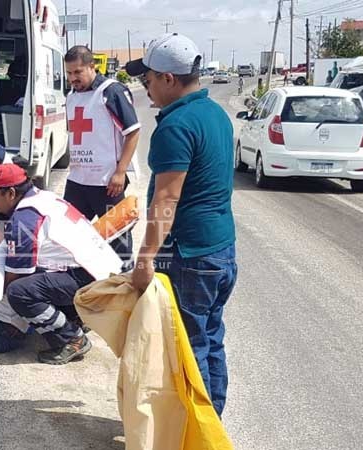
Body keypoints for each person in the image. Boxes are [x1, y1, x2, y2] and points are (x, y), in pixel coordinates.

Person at [125, 33, 238, 417]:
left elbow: (166, 200)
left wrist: (144, 261)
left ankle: (197, 431)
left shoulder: (175, 126)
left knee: (190, 348)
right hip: (221, 250)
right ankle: (213, 422)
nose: (147, 89)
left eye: (149, 80)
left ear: (169, 79)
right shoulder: (215, 115)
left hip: (191, 256)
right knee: (210, 338)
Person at [0, 164, 123, 365]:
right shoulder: (43, 198)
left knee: (19, 291)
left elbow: (14, 278)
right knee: (38, 274)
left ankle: (71, 337)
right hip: (102, 269)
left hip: (89, 277)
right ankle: (72, 317)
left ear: (10, 193)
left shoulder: (24, 220)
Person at [63, 45, 141, 266]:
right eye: (69, 73)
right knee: (69, 236)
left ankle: (126, 283)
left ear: (92, 66)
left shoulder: (111, 91)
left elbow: (133, 131)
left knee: (119, 242)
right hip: (77, 180)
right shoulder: (71, 96)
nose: (73, 78)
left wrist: (120, 171)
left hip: (106, 182)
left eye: (78, 72)